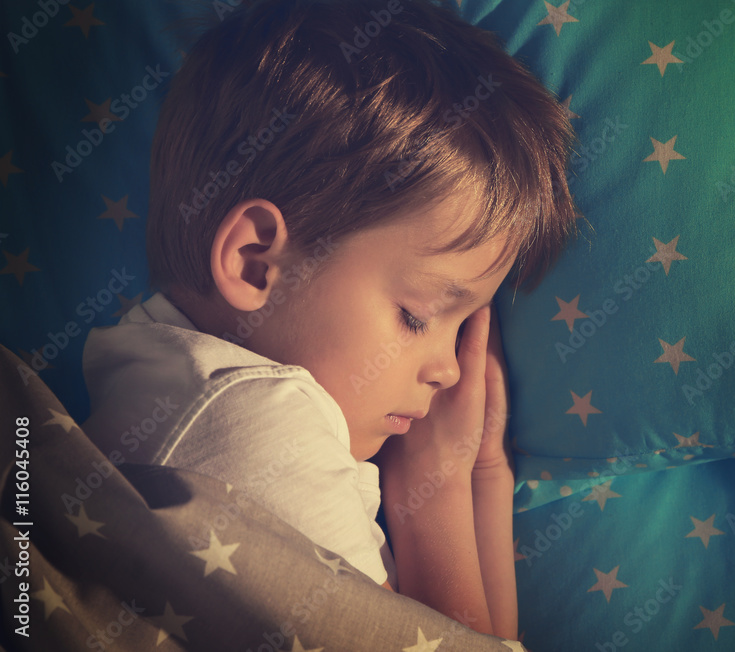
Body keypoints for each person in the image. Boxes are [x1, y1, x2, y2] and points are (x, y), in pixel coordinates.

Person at [81, 0, 578, 641]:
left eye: (465, 326)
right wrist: (433, 492)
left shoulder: (155, 374)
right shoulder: (259, 420)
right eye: (418, 314)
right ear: (257, 262)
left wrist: (477, 472)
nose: (451, 367)